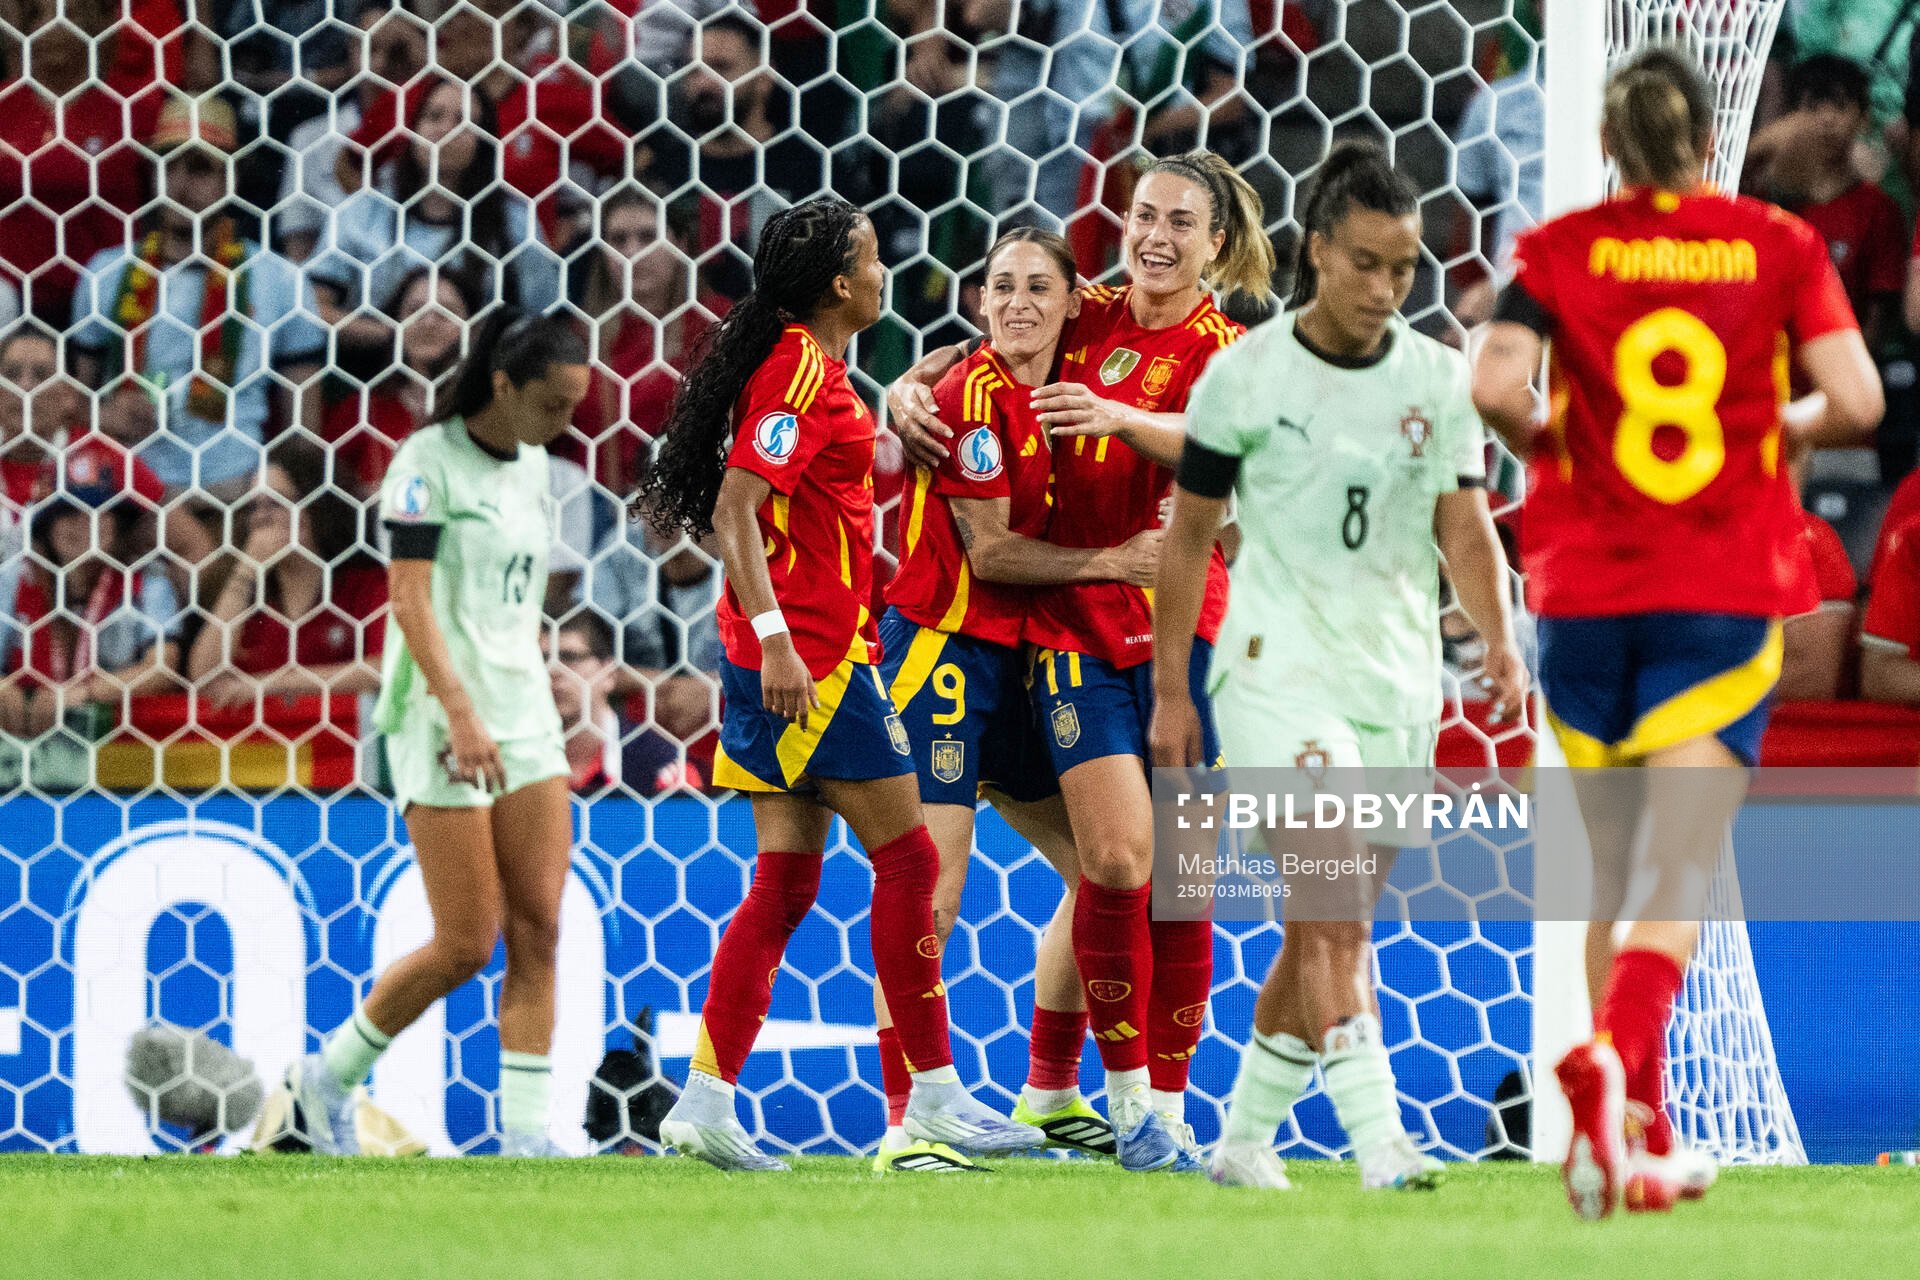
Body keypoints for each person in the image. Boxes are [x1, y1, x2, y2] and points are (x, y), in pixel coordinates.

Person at [1470, 46, 1883, 1217]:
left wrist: (1568, 447)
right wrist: (1777, 427)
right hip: (1714, 582)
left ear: (1605, 147)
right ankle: (1613, 1065)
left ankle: (1624, 1139)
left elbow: (1495, 385)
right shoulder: (1777, 243)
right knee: (1680, 868)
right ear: (1711, 145)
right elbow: (1857, 400)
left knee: (1609, 872)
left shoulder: (1558, 252)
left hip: (1584, 593)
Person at [634, 196, 1044, 1171]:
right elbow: (738, 508)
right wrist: (778, 639)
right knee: (908, 860)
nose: (881, 271)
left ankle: (702, 1098)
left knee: (783, 882)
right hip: (810, 664)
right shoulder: (799, 370)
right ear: (835, 282)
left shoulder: (804, 365)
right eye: (868, 258)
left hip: (780, 658)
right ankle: (934, 1095)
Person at [1148, 140, 1526, 1193]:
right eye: (1365, 262)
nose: (1384, 287)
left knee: (1329, 917)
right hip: (1274, 670)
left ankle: (1238, 1141)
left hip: (1395, 681)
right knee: (1333, 908)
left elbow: (1465, 527)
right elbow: (1187, 538)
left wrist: (1498, 634)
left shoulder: (1438, 380)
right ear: (1316, 251)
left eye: (1403, 267)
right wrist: (1175, 688)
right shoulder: (1245, 376)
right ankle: (1382, 1143)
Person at [890, 149, 1273, 1172]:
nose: (1155, 235)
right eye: (1144, 213)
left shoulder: (1228, 348)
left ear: (1216, 245)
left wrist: (1118, 418)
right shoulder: (1087, 313)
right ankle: (1125, 1099)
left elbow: (1225, 446)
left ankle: (1145, 1102)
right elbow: (977, 354)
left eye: (1180, 222)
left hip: (1186, 628)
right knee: (1111, 859)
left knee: (1179, 879)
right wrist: (900, 390)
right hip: (1069, 627)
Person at [873, 228, 1165, 1171]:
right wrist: (1120, 560)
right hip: (946, 655)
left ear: (1076, 303)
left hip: (1030, 659)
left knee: (1105, 879)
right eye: (1001, 285)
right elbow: (992, 554)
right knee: (933, 889)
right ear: (979, 299)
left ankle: (1046, 1091)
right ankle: (907, 1117)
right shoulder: (965, 398)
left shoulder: (1072, 380)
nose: (1019, 302)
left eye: (1040, 286)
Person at [284, 310, 592, 1159]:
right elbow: (411, 598)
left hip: (526, 718)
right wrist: (458, 709)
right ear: (503, 384)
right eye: (555, 406)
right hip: (439, 717)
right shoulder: (424, 464)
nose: (565, 425)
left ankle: (527, 1138)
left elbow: (511, 598)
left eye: (576, 407)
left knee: (541, 927)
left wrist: (546, 667)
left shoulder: (535, 469)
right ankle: (327, 1080)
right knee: (467, 941)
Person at [67, 92, 326, 499]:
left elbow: (304, 431)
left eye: (201, 167)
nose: (182, 184)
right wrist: (104, 414)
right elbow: (75, 406)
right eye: (169, 166)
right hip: (131, 502)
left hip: (237, 496)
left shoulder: (281, 280)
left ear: (232, 178)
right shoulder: (106, 273)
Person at [185, 439, 386, 709]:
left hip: (342, 745)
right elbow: (204, 676)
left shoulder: (364, 585)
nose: (262, 518)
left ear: (315, 507)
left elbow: (380, 668)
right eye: (255, 507)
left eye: (277, 503)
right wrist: (247, 568)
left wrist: (270, 684)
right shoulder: (249, 598)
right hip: (262, 747)